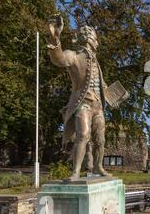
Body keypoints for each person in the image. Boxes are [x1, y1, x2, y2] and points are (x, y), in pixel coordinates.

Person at [47, 15, 110, 180]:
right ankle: (75, 172)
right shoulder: (73, 56)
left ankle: (98, 167)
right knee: (83, 135)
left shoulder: (96, 62)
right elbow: (59, 59)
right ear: (90, 39)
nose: (96, 42)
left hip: (99, 106)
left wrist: (112, 93)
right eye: (94, 38)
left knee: (100, 140)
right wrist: (55, 38)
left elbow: (101, 84)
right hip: (84, 103)